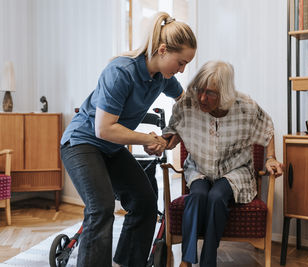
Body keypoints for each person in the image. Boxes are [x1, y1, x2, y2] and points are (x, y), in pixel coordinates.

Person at [60, 12, 196, 267]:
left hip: (111, 148)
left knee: (144, 201)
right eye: (180, 62)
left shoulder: (161, 78)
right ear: (163, 50)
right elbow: (103, 129)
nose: (182, 70)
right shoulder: (121, 71)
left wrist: (170, 135)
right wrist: (146, 138)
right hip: (82, 143)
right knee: (100, 209)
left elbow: (185, 102)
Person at [156, 61, 283, 267]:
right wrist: (161, 143)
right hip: (200, 166)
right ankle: (186, 261)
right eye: (199, 90)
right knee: (197, 195)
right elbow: (173, 132)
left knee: (216, 196)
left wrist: (270, 158)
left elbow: (267, 129)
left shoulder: (245, 107)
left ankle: (208, 260)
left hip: (235, 170)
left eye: (210, 93)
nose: (202, 98)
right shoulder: (188, 104)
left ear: (224, 94)